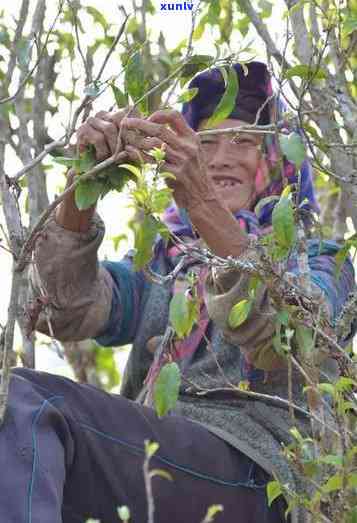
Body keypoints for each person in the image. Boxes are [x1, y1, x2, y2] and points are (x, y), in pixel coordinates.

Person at [1, 62, 355, 523]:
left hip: (263, 479)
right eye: (206, 142)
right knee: (11, 406)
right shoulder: (168, 262)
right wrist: (81, 186)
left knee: (33, 401)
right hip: (161, 463)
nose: (223, 156)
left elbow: (292, 339)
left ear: (278, 158)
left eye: (245, 140)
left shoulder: (320, 260)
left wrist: (202, 202)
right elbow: (60, 310)